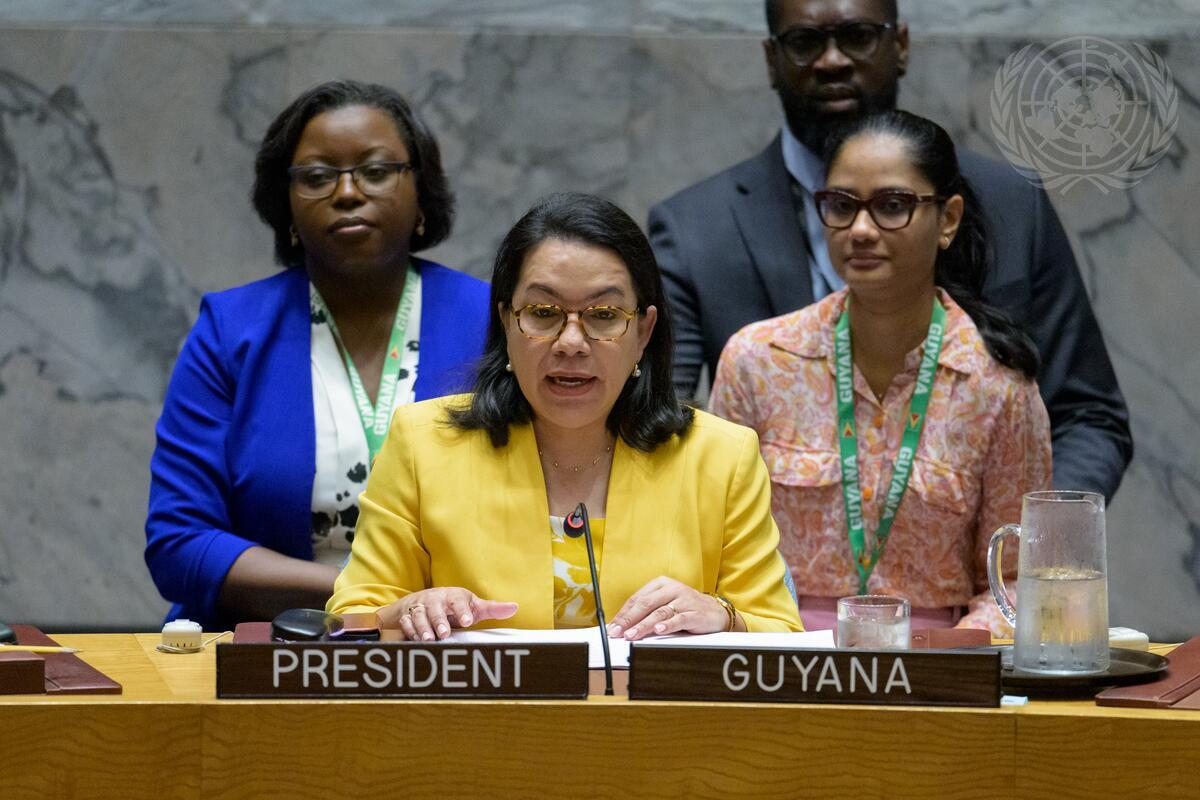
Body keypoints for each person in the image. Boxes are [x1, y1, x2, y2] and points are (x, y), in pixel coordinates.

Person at [648, 0, 1131, 501]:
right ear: (772, 60)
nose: (832, 60)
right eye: (805, 42)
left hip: (978, 561)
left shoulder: (1010, 203)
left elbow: (1087, 414)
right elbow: (664, 421)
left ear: (899, 45)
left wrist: (1037, 548)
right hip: (772, 562)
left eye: (857, 35)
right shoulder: (694, 229)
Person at [327, 192, 803, 639]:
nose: (571, 342)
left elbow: (782, 633)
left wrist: (724, 618)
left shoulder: (722, 457)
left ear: (643, 332)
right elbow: (349, 619)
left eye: (603, 316)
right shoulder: (422, 444)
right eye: (542, 312)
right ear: (506, 324)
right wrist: (411, 609)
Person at [145, 80, 490, 629]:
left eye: (376, 171)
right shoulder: (231, 331)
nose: (348, 192)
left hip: (454, 647)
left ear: (421, 191)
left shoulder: (495, 321)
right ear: (285, 203)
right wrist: (366, 598)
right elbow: (180, 543)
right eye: (317, 176)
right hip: (268, 649)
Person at [710, 109, 1051, 633]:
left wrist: (952, 658)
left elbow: (1016, 580)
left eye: (892, 206)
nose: (862, 230)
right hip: (781, 655)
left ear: (949, 219)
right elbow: (716, 551)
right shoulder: (759, 361)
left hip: (936, 665)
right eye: (841, 206)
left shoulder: (996, 383)